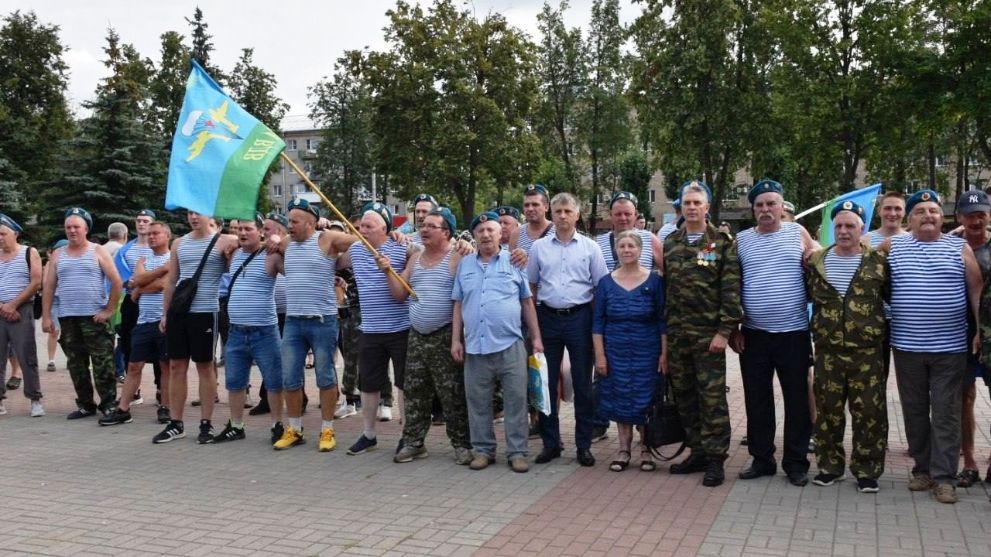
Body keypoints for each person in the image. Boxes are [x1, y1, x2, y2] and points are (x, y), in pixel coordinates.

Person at [882, 189, 981, 504]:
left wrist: (979, 331)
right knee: (914, 412)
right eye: (921, 212)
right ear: (909, 219)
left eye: (933, 211)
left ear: (942, 218)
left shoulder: (958, 246)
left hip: (950, 348)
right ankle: (922, 470)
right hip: (907, 347)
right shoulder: (893, 246)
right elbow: (860, 260)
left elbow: (976, 291)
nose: (928, 216)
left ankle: (944, 478)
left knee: (945, 412)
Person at [729, 179, 818, 486]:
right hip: (753, 335)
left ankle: (796, 462)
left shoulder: (797, 232)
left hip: (793, 333)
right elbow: (728, 282)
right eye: (760, 205)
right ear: (753, 209)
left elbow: (818, 258)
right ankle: (762, 459)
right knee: (757, 400)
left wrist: (813, 254)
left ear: (782, 206)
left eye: (771, 204)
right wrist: (733, 327)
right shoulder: (741, 240)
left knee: (797, 400)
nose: (765, 209)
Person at [806, 201, 888, 493]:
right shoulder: (816, 262)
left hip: (866, 352)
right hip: (828, 350)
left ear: (861, 229)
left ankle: (867, 471)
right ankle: (829, 467)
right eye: (839, 226)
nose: (843, 231)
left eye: (850, 226)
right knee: (828, 411)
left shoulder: (878, 263)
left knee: (869, 412)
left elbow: (891, 297)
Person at [379, 207, 472, 464]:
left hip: (446, 335)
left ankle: (462, 444)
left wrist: (457, 338)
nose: (424, 229)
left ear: (447, 232)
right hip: (417, 336)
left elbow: (464, 297)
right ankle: (414, 443)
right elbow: (399, 295)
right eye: (423, 225)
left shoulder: (459, 256)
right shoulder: (415, 259)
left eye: (432, 226)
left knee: (452, 394)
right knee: (415, 392)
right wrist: (388, 271)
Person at [663, 181, 741, 487]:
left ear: (707, 207)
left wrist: (724, 331)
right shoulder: (671, 242)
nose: (692, 207)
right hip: (678, 335)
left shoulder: (721, 243)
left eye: (697, 203)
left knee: (712, 399)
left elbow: (731, 290)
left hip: (708, 336)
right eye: (687, 203)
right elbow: (667, 290)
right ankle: (697, 451)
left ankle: (715, 459)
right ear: (681, 208)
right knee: (684, 396)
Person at [452, 211, 542, 472]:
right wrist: (456, 340)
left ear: (501, 233)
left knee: (516, 402)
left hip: (510, 344)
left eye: (491, 230)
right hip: (475, 346)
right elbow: (458, 304)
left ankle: (517, 452)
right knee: (478, 403)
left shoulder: (515, 261)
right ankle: (483, 451)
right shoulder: (465, 265)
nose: (486, 234)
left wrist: (536, 337)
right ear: (474, 236)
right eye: (480, 231)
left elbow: (527, 302)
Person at [527, 192, 609, 467]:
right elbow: (532, 286)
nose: (562, 216)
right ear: (552, 213)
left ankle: (583, 446)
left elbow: (600, 288)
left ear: (577, 214)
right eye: (558, 211)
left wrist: (596, 327)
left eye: (568, 211)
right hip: (548, 318)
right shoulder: (539, 248)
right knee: (546, 384)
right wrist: (535, 328)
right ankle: (551, 444)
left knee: (583, 386)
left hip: (580, 318)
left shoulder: (590, 247)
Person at [270, 198, 359, 451]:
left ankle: (327, 429)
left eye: (295, 221)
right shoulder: (287, 243)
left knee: (325, 376)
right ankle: (295, 429)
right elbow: (270, 244)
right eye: (288, 221)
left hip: (323, 321)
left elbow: (361, 242)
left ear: (311, 223)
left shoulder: (327, 239)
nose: (290, 226)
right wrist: (273, 240)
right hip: (293, 321)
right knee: (290, 378)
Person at [153, 211, 237, 444]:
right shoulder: (179, 243)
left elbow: (248, 246)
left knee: (205, 366)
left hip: (206, 312)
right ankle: (176, 423)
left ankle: (206, 423)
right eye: (189, 212)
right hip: (179, 312)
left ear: (209, 213)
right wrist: (166, 313)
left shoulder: (225, 240)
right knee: (176, 365)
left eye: (197, 212)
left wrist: (235, 249)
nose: (193, 216)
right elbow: (172, 280)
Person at [593, 230, 666, 472]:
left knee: (647, 397)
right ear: (616, 250)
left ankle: (646, 448)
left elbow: (662, 321)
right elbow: (598, 323)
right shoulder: (605, 283)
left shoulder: (655, 282)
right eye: (622, 246)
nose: (626, 250)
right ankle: (623, 449)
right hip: (615, 350)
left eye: (631, 246)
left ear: (640, 250)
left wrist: (664, 354)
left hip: (647, 350)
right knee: (620, 396)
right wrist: (600, 356)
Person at [343, 202, 413, 455]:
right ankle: (368, 434)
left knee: (404, 383)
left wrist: (404, 237)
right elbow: (333, 257)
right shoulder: (355, 249)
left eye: (368, 226)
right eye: (361, 225)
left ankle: (408, 435)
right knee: (368, 384)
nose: (362, 230)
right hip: (370, 329)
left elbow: (425, 251)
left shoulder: (402, 246)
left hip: (401, 328)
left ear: (385, 228)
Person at [42, 208, 122, 419]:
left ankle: (109, 404)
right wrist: (47, 316)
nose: (72, 231)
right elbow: (49, 287)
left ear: (86, 229)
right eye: (68, 227)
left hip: (94, 317)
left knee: (103, 363)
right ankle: (86, 404)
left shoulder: (97, 251)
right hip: (68, 318)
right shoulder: (58, 255)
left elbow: (116, 281)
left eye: (76, 227)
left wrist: (109, 309)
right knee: (76, 364)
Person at [212, 215, 286, 444]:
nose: (243, 233)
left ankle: (277, 425)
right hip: (236, 331)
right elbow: (216, 238)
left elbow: (295, 268)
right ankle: (236, 425)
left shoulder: (272, 255)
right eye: (240, 229)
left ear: (261, 231)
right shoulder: (234, 253)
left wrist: (278, 240)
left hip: (265, 331)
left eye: (248, 229)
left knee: (274, 381)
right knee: (235, 382)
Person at [99, 221, 172, 426]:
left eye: (156, 233)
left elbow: (162, 284)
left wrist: (141, 285)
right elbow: (136, 285)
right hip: (143, 321)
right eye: (149, 234)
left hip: (164, 321)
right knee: (133, 365)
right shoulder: (143, 259)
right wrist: (158, 273)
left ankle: (165, 406)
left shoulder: (173, 259)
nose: (151, 237)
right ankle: (123, 409)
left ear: (167, 236)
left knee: (165, 366)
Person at [950, 190, 990, 489]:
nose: (976, 221)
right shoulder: (949, 245)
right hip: (958, 334)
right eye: (970, 215)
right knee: (963, 397)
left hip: (990, 334)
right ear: (959, 217)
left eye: (981, 215)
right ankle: (970, 462)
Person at [0, 213, 44, 417]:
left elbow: (36, 282)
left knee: (27, 356)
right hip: (1, 309)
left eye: (3, 234)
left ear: (15, 234)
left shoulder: (29, 252)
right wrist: (3, 306)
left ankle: (35, 399)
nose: (0, 238)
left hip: (22, 309)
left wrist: (13, 305)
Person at [114, 209, 157, 406]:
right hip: (131, 302)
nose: (141, 224)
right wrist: (131, 283)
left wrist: (140, 284)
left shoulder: (158, 248)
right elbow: (120, 274)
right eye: (139, 220)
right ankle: (133, 392)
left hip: (154, 301)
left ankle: (161, 390)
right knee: (128, 344)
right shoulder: (126, 250)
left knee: (159, 347)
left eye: (146, 221)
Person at [44, 240, 67, 373]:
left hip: (68, 300)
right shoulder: (50, 263)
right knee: (54, 331)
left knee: (70, 332)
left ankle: (71, 358)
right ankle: (51, 360)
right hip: (55, 300)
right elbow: (45, 282)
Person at [517, 184, 555, 253]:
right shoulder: (517, 234)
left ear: (546, 207)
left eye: (535, 204)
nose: (530, 209)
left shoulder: (557, 232)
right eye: (526, 205)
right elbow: (510, 259)